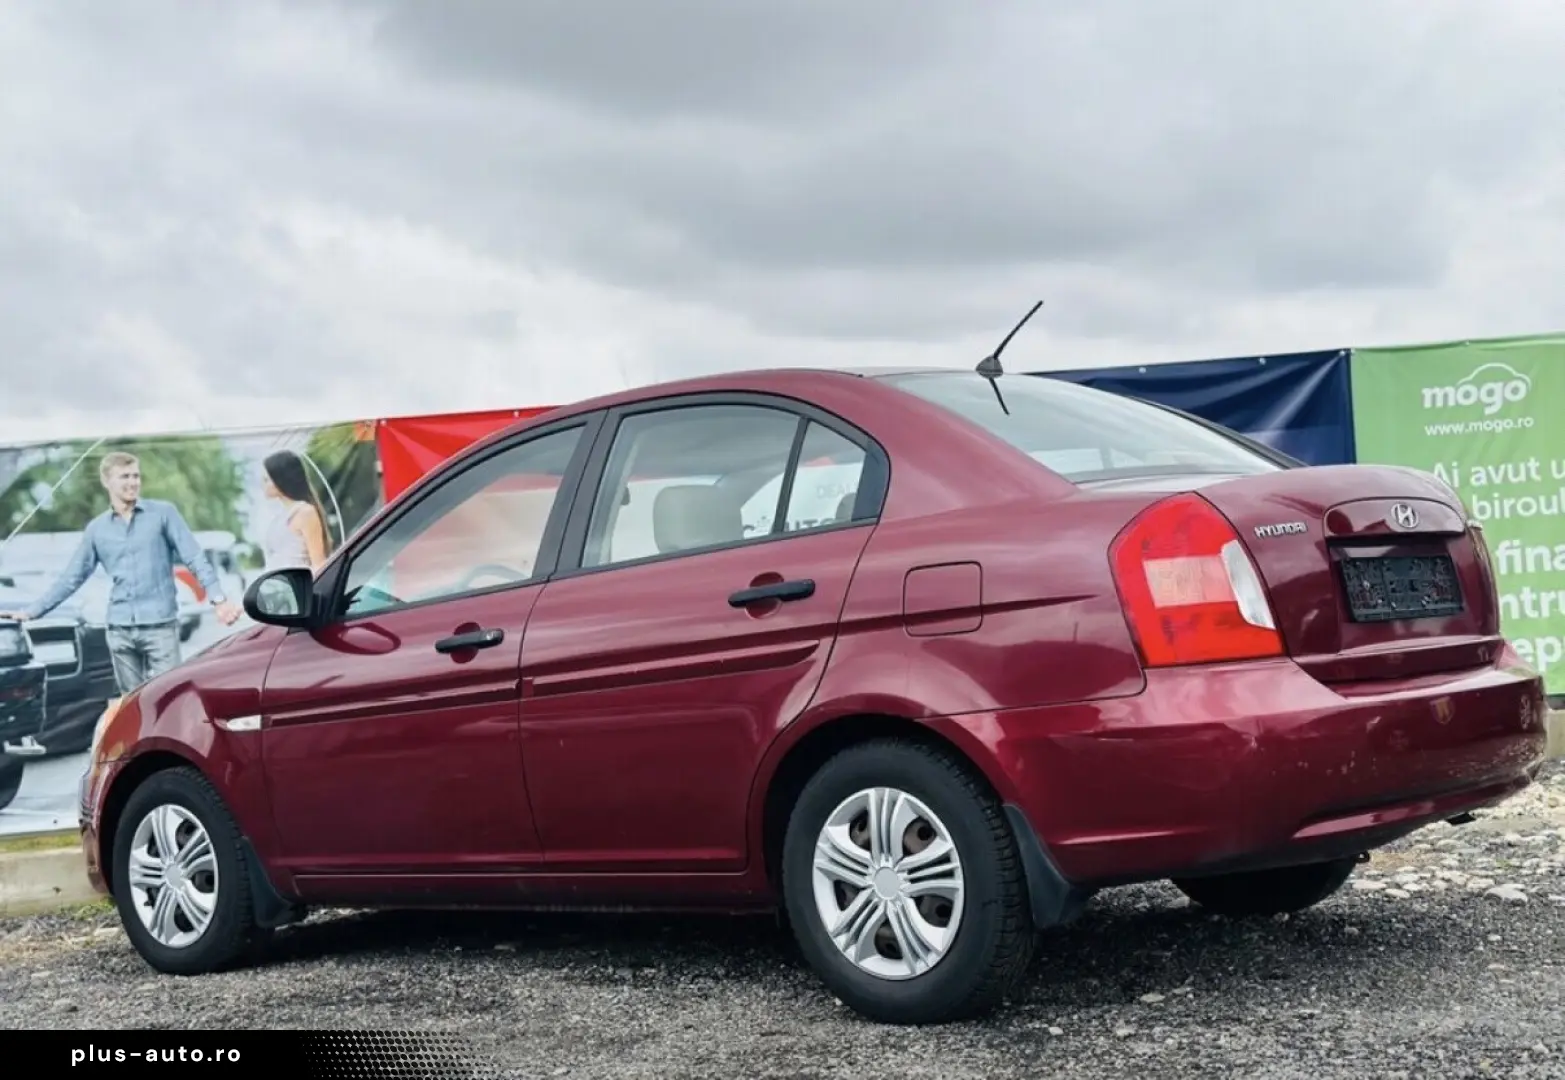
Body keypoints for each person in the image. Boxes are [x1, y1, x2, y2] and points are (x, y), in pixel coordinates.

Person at [0, 451, 240, 694]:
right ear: (107, 481)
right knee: (132, 704)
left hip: (160, 626)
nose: (133, 482)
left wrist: (218, 599)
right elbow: (72, 578)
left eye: (136, 476)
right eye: (125, 476)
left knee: (168, 697)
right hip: (119, 630)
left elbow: (194, 557)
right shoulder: (97, 529)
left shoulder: (163, 514)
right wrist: (32, 611)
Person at [259, 449, 331, 573]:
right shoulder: (278, 515)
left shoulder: (305, 513)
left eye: (267, 480)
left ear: (280, 480)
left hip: (296, 586)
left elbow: (319, 564)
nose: (263, 484)